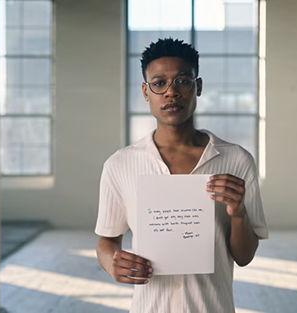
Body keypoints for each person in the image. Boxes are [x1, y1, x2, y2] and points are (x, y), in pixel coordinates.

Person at [95, 38, 268, 313]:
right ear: (145, 91)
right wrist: (111, 262)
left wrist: (238, 214)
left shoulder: (236, 160)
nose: (171, 92)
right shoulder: (120, 165)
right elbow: (107, 239)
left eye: (183, 81)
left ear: (197, 86)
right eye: (159, 83)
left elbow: (244, 257)